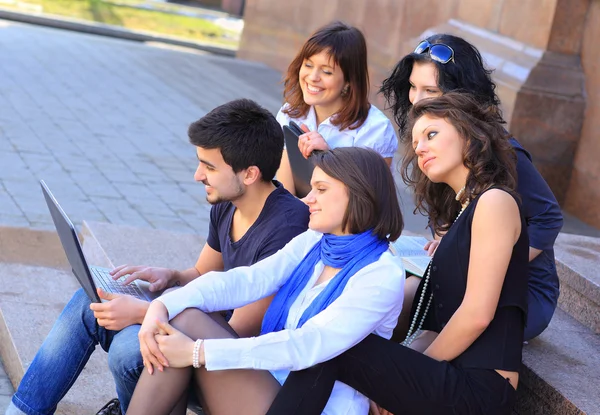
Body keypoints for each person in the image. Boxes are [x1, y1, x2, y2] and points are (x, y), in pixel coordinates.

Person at [5, 99, 310, 415]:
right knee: (91, 298)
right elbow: (201, 272)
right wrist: (171, 276)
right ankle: (23, 411)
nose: (197, 176)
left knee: (126, 352)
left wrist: (143, 312)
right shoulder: (228, 202)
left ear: (249, 174)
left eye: (209, 167)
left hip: (227, 365)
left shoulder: (287, 227)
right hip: (198, 329)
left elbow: (239, 330)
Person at [267, 92, 528, 415]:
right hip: (451, 374)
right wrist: (400, 376)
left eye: (431, 134)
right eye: (416, 142)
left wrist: (407, 376)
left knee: (333, 345)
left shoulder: (495, 202)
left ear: (469, 135)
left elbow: (477, 315)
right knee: (333, 341)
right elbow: (435, 322)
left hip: (480, 388)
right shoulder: (465, 211)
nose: (419, 148)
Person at [125, 147, 405, 415]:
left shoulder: (381, 275)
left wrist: (197, 352)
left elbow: (308, 343)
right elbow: (250, 280)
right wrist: (161, 306)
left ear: (359, 195)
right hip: (272, 380)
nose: (308, 199)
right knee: (182, 317)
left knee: (184, 332)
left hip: (314, 404)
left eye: (321, 189)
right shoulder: (317, 241)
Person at [384, 34, 562, 342]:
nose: (417, 99)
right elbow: (448, 213)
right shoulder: (433, 139)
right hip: (461, 274)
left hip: (523, 291)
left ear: (460, 93)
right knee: (389, 299)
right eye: (413, 87)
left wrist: (481, 259)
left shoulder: (507, 154)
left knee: (411, 307)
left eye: (430, 89)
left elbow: (549, 218)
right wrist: (445, 240)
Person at [275, 20, 398, 195]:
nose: (313, 77)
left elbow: (371, 200)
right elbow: (285, 195)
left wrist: (329, 157)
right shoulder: (291, 113)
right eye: (308, 65)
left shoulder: (375, 129)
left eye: (326, 72)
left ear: (348, 81)